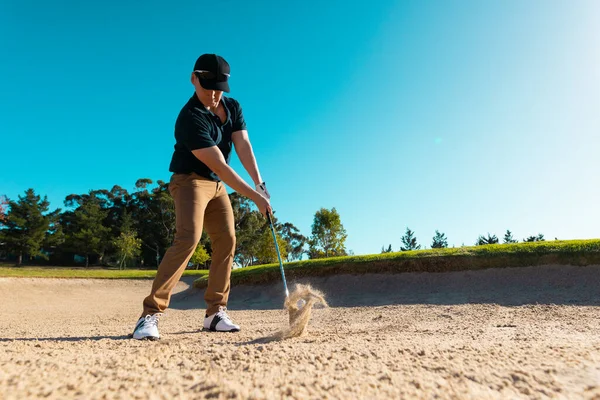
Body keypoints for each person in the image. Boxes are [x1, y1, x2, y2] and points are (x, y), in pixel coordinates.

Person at [132, 54, 271, 340]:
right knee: (188, 238)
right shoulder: (190, 118)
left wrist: (260, 184)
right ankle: (150, 315)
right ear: (193, 78)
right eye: (208, 86)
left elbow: (243, 145)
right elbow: (220, 165)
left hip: (217, 185)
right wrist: (254, 199)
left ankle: (214, 314)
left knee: (227, 241)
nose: (214, 94)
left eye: (219, 87)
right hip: (189, 181)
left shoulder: (232, 106)